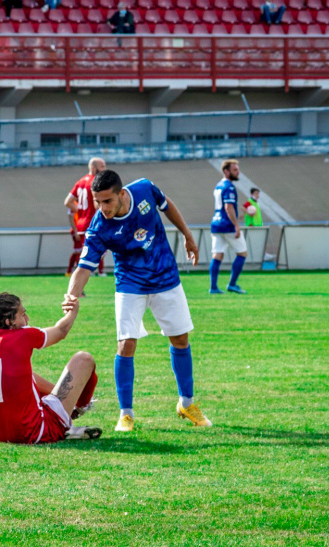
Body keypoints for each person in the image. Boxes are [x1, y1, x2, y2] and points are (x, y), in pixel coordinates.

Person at [65, 169, 210, 432]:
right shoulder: (99, 227)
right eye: (98, 202)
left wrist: (188, 236)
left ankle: (186, 404)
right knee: (126, 344)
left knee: (180, 339)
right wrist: (71, 295)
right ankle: (126, 414)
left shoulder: (144, 188)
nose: (103, 208)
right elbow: (84, 267)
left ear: (121, 194)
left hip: (165, 277)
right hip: (130, 285)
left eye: (107, 201)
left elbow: (168, 206)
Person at [0, 292, 101, 444]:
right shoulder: (21, 336)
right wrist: (73, 310)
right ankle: (80, 408)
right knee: (83, 359)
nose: (27, 319)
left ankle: (66, 414)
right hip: (36, 432)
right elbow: (61, 331)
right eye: (23, 314)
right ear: (8, 322)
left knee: (24, 376)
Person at [209, 159, 249, 295]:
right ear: (226, 171)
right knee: (242, 253)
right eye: (235, 170)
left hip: (216, 223)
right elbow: (228, 206)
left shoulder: (218, 185)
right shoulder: (229, 187)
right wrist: (236, 226)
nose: (238, 172)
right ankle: (232, 284)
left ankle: (213, 287)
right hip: (227, 225)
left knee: (217, 255)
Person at [64, 158, 106, 275]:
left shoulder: (80, 181)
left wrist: (82, 212)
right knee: (99, 250)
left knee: (86, 253)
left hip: (82, 224)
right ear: (93, 167)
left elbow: (68, 202)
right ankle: (95, 272)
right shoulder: (96, 181)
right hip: (93, 223)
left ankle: (84, 275)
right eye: (102, 166)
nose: (104, 169)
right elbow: (97, 205)